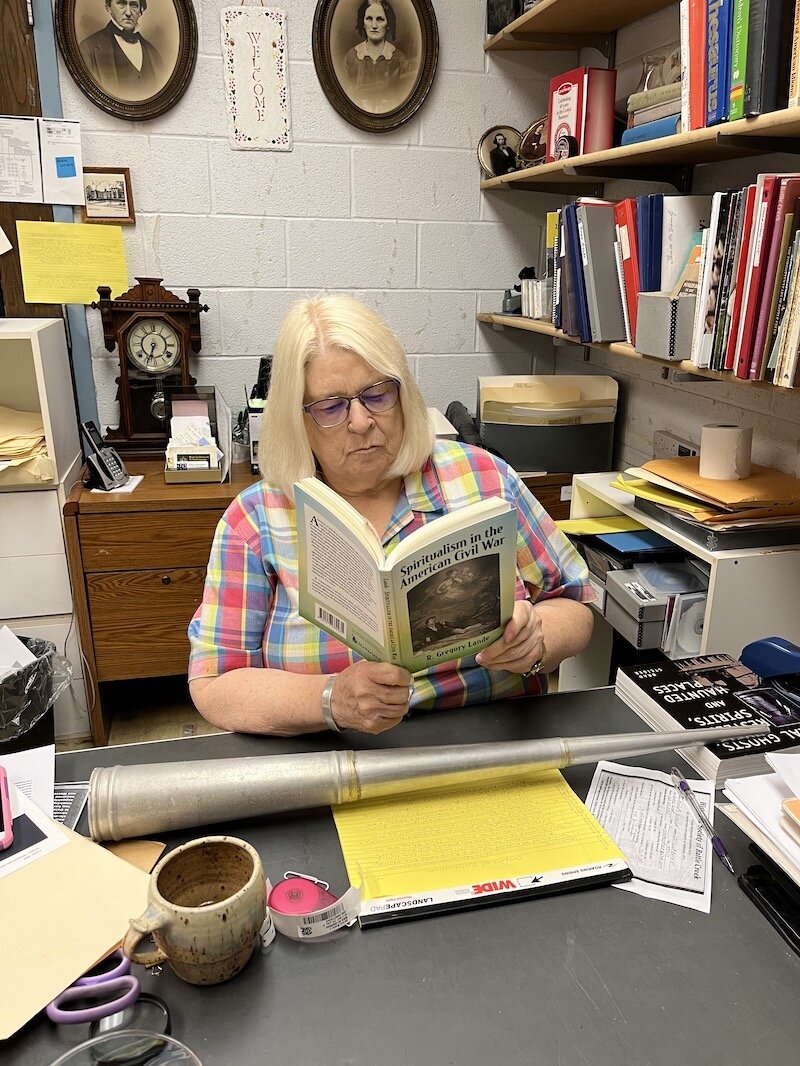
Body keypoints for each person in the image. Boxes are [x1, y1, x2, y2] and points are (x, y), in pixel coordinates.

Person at [188, 294, 594, 737]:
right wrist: (330, 699)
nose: (361, 422)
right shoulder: (255, 518)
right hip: (333, 757)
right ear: (297, 419)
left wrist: (537, 642)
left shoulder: (484, 477)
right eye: (330, 406)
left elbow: (577, 604)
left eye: (377, 394)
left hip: (489, 741)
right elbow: (215, 683)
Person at [79, 0, 164, 101]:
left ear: (141, 10)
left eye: (133, 5)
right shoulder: (88, 49)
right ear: (108, 7)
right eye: (121, 3)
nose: (128, 13)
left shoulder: (154, 54)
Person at [342, 1, 412, 113]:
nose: (374, 25)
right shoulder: (351, 57)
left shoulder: (400, 59)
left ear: (388, 24)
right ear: (363, 23)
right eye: (369, 19)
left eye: (380, 19)